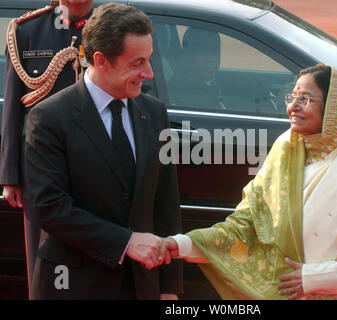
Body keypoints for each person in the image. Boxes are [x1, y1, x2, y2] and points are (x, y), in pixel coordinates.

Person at [160, 65, 337, 299]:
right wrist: (181, 244)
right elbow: (244, 225)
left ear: (335, 109)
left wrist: (314, 279)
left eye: (304, 99)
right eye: (291, 97)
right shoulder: (285, 151)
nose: (292, 107)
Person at [25, 3, 182, 299]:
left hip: (141, 288)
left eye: (149, 60)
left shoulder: (155, 112)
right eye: (137, 63)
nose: (148, 73)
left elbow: (166, 203)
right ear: (101, 60)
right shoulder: (49, 118)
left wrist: (169, 287)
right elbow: (52, 209)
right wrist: (125, 242)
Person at [1, 0, 93, 295]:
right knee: (43, 259)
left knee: (93, 254)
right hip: (41, 166)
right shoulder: (27, 31)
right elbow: (13, 107)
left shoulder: (110, 26)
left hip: (95, 163)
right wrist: (10, 175)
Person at [167, 27, 227, 110]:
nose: (212, 58)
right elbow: (184, 123)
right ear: (187, 55)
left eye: (215, 50)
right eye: (204, 51)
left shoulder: (208, 83)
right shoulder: (184, 96)